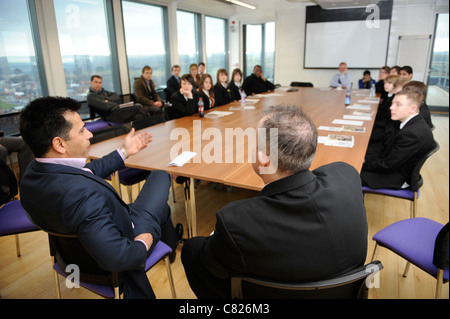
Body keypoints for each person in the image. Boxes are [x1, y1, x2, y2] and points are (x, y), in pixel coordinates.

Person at [181, 105, 368, 299]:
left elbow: (210, 265)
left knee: (192, 249)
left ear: (263, 159)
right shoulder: (347, 176)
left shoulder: (236, 222)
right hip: (343, 293)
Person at [19, 96, 182, 299]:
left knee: (163, 209)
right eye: (81, 130)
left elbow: (86, 171)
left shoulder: (33, 175)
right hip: (127, 237)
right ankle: (169, 241)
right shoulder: (83, 198)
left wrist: (124, 152)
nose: (89, 134)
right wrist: (143, 243)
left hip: (76, 254)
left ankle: (171, 240)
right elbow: (119, 257)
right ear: (59, 144)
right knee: (161, 174)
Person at [361, 89, 435, 190]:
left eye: (398, 105)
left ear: (412, 108)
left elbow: (387, 165)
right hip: (395, 167)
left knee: (345, 176)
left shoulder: (412, 134)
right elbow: (390, 151)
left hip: (397, 176)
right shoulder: (413, 123)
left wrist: (362, 164)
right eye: (392, 104)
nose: (391, 108)